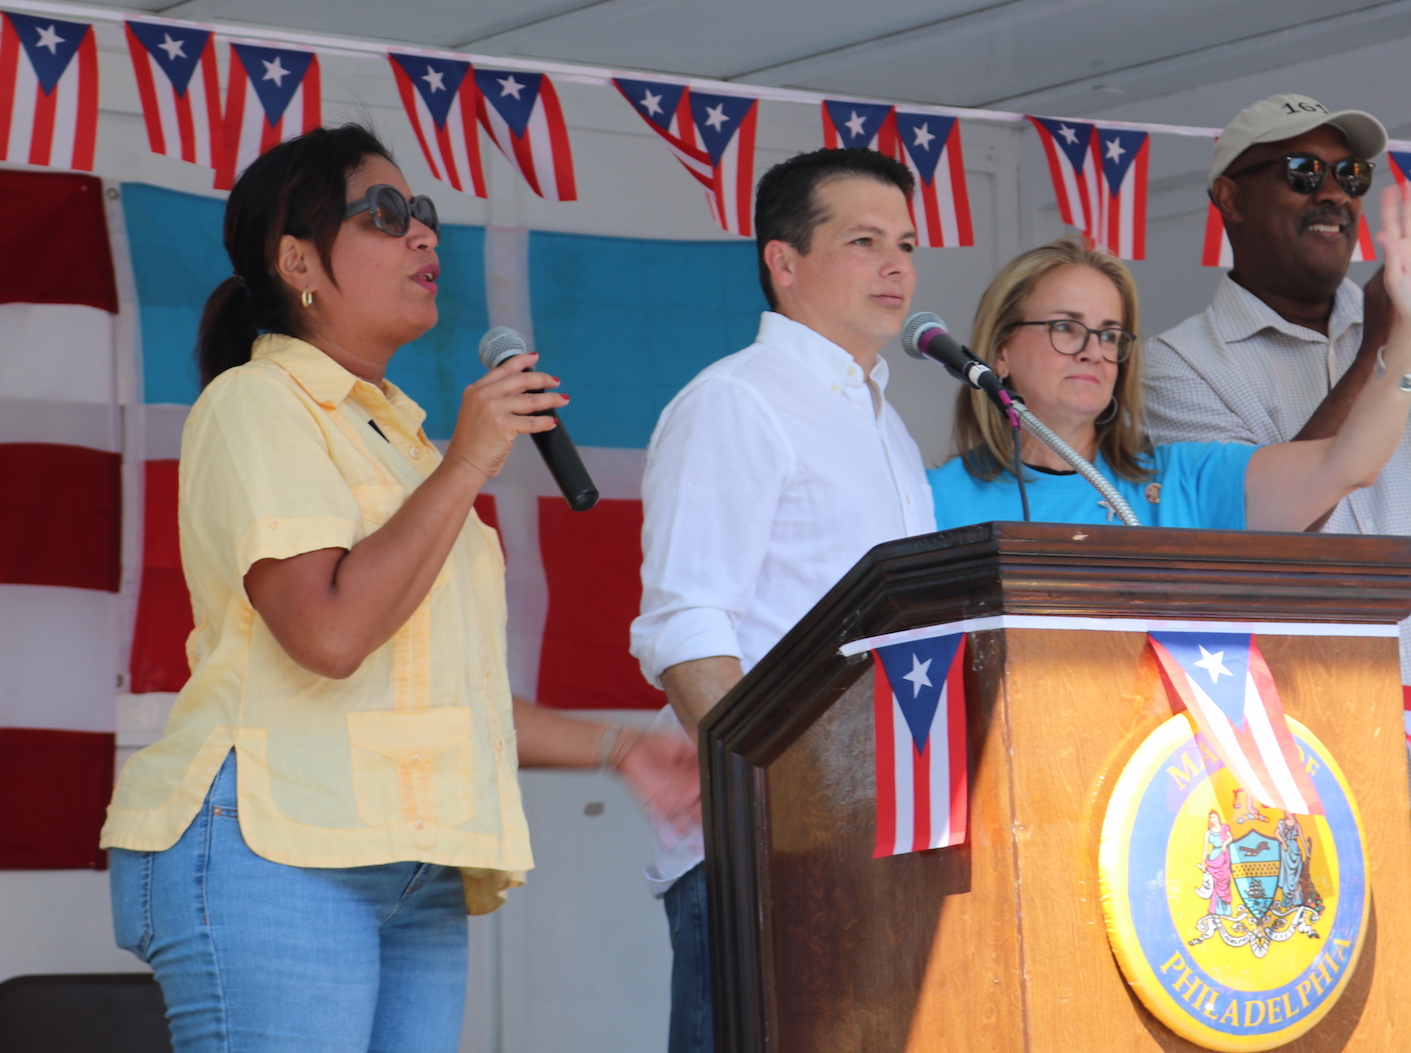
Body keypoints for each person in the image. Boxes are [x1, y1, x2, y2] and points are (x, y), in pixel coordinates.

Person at [100, 126, 695, 1053]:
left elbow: (436, 693)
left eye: (422, 214)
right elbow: (331, 637)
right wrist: (466, 464)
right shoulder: (258, 404)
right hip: (277, 843)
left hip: (409, 856)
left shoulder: (404, 442)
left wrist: (622, 749)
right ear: (298, 260)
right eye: (385, 214)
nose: (424, 235)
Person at [1143, 93, 1411, 1053]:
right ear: (1230, 199)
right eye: (1301, 173)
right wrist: (1397, 336)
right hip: (1297, 772)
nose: (1333, 194)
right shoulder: (1174, 365)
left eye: (1350, 176)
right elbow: (1270, 523)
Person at [630, 147, 935, 1053]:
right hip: (774, 845)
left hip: (882, 833)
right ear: (784, 260)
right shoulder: (738, 401)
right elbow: (687, 626)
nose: (896, 266)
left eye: (907, 244)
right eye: (864, 241)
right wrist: (771, 800)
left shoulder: (889, 424)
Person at [928, 180, 1411, 529]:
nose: (1093, 352)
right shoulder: (930, 498)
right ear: (1000, 354)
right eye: (1067, 328)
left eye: (1110, 334)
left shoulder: (1183, 479)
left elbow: (1348, 465)